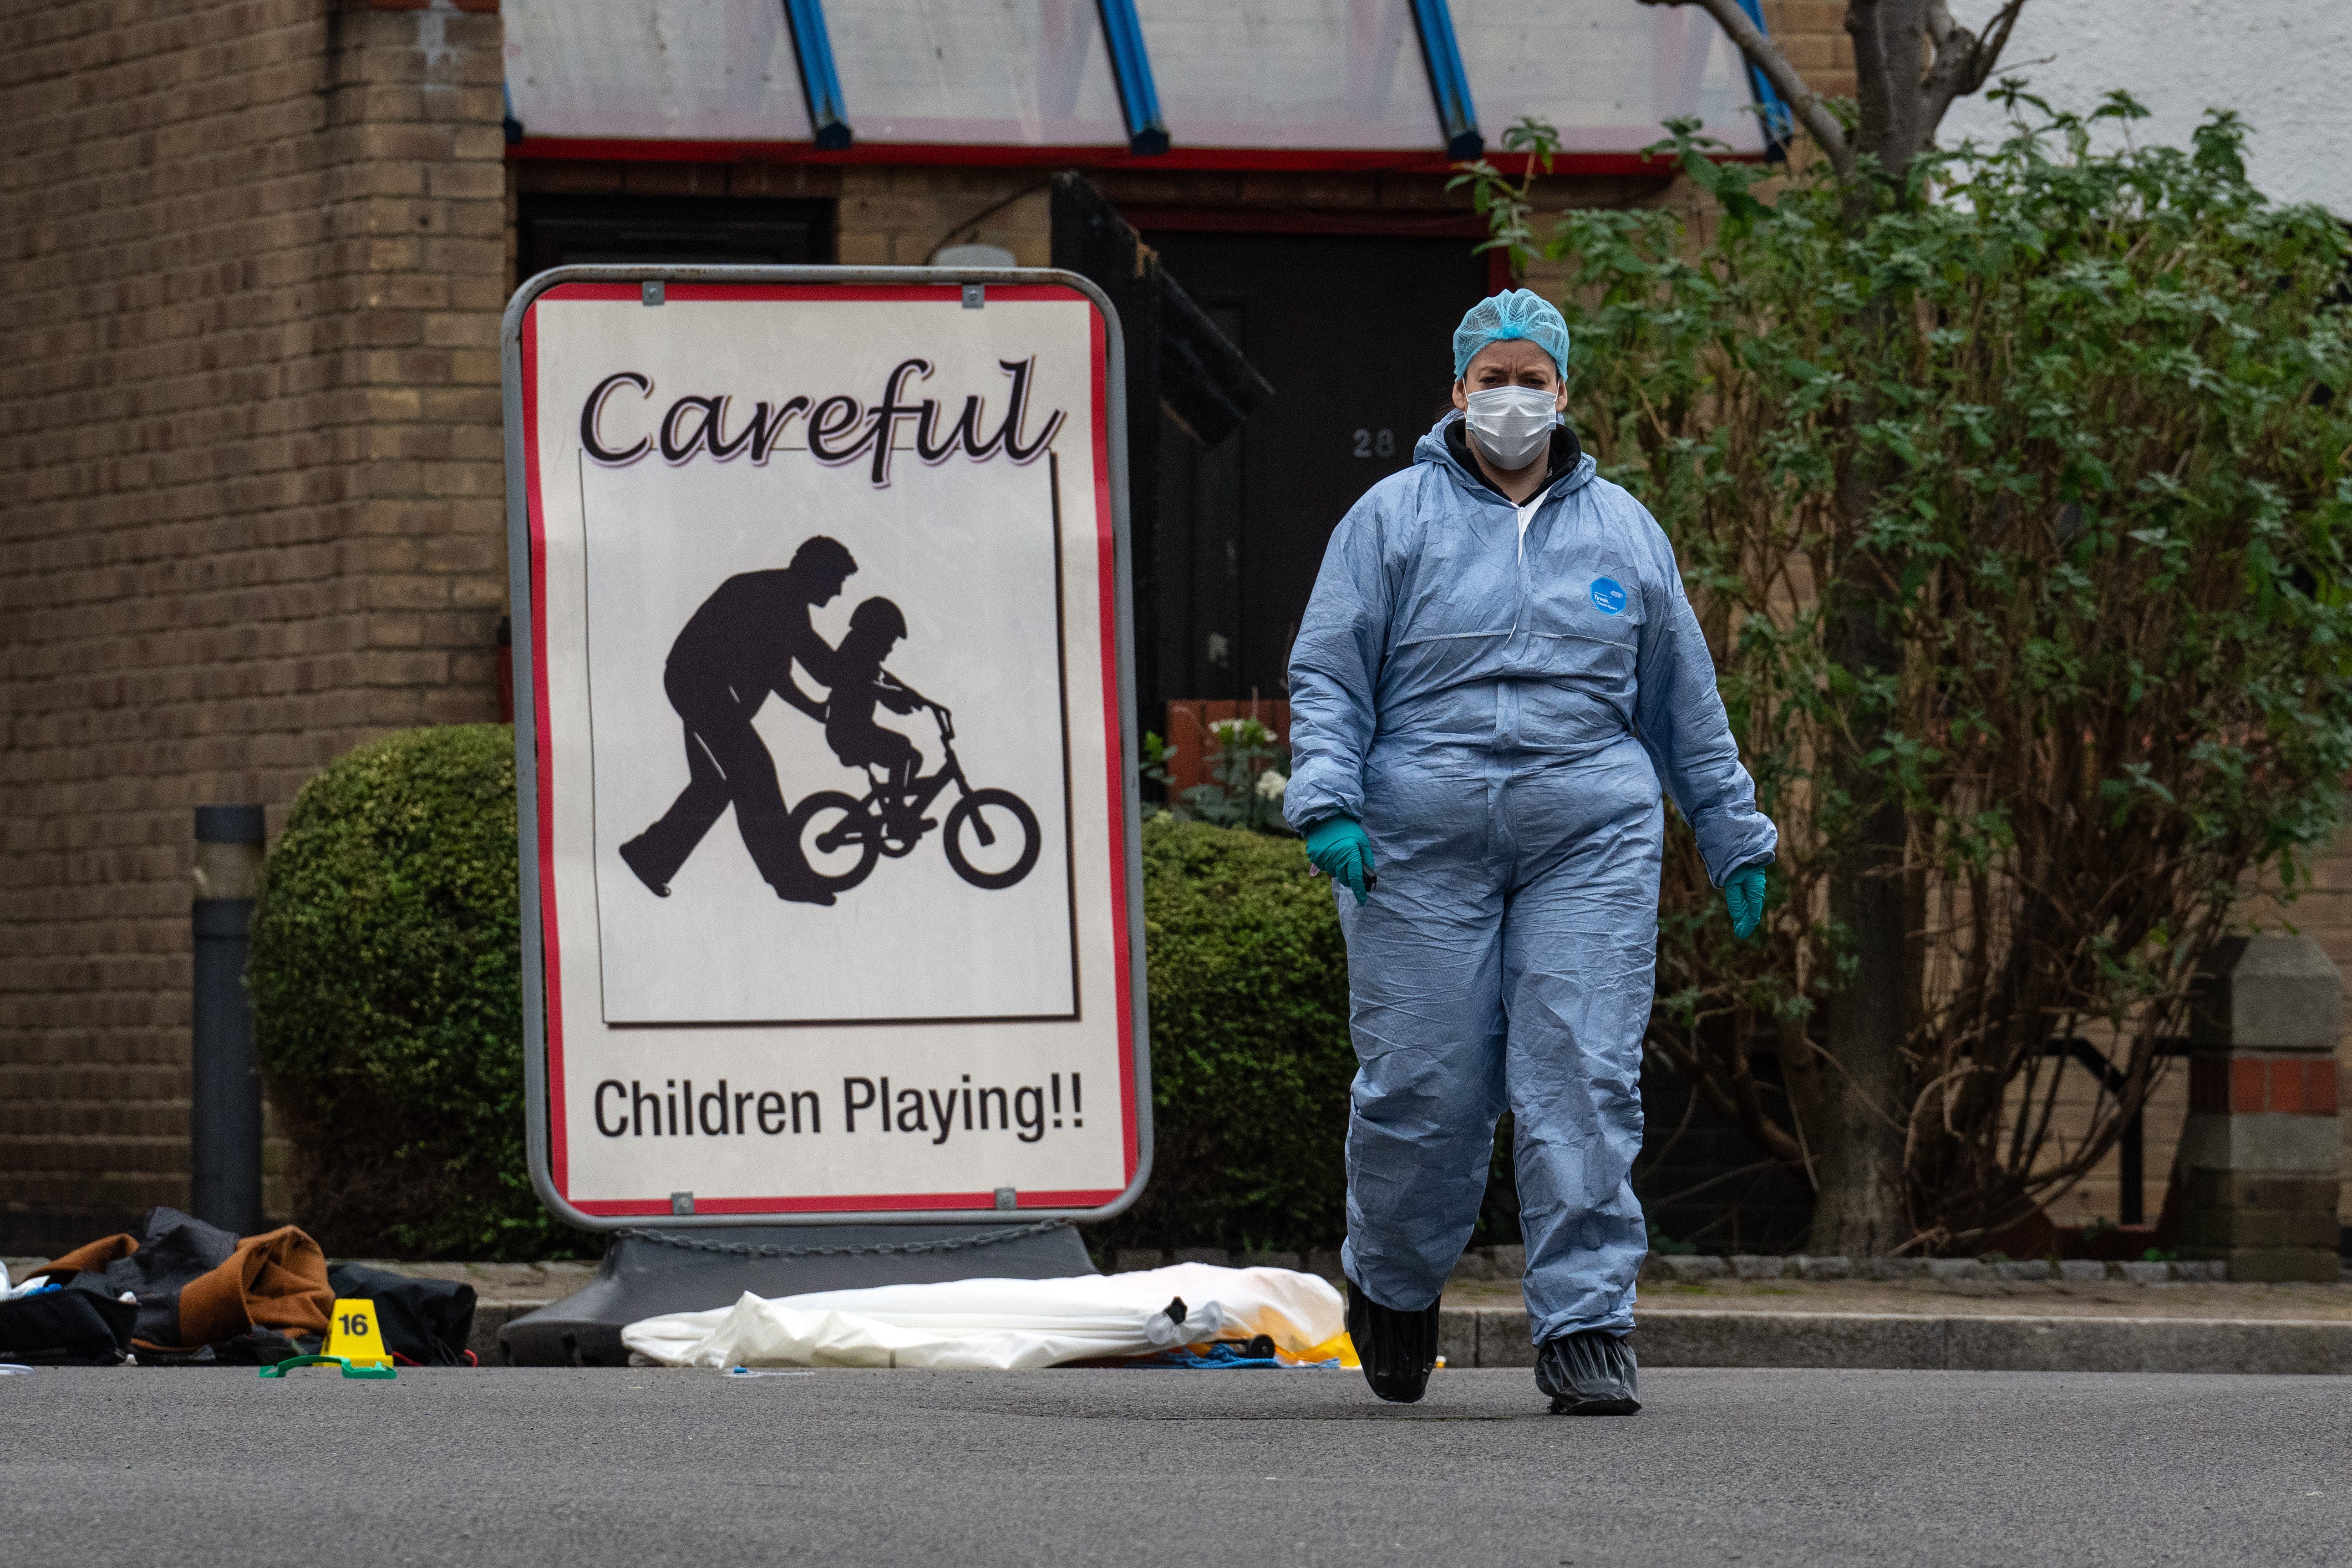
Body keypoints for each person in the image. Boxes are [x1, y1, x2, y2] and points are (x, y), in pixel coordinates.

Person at [1284, 290, 1777, 1416]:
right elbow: (1329, 674)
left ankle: (1588, 1323)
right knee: (1423, 1089)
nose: (1513, 397)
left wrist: (1731, 830)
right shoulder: (1391, 519)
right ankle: (1396, 1287)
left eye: (1532, 377)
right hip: (1418, 840)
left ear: (1565, 391)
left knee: (1580, 1076)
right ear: (1456, 391)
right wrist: (1329, 803)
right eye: (1492, 377)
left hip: (1588, 842)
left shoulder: (1625, 533)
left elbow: (1682, 703)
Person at [618, 534, 858, 907]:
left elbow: (780, 675)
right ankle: (789, 879)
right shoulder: (779, 598)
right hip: (699, 686)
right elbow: (821, 667)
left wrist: (818, 708)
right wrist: (865, 668)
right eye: (837, 580)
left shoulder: (782, 597)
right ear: (817, 573)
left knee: (714, 784)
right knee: (755, 771)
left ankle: (649, 857)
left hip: (701, 686)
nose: (839, 591)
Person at [821, 597, 930, 836]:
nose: (890, 648)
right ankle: (896, 817)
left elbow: (884, 680)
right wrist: (898, 697)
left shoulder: (864, 657)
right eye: (889, 641)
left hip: (855, 730)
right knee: (902, 749)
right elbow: (869, 685)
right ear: (875, 633)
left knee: (913, 758)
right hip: (848, 732)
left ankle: (895, 804)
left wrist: (914, 696)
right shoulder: (854, 655)